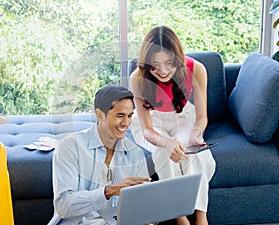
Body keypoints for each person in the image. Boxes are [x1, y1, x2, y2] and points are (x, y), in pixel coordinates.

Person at [129, 26, 216, 225]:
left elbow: (202, 117)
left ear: (177, 57)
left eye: (169, 63)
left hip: (183, 116)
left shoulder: (197, 69)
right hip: (153, 120)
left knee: (195, 153)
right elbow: (147, 130)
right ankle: (180, 215)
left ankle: (201, 215)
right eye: (155, 65)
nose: (163, 71)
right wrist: (167, 143)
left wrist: (196, 133)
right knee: (163, 153)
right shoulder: (137, 78)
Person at [48, 85, 151, 225]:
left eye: (130, 116)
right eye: (120, 116)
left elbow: (142, 203)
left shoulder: (135, 153)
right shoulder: (70, 147)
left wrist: (147, 216)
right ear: (100, 114)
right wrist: (108, 191)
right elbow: (63, 206)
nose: (126, 123)